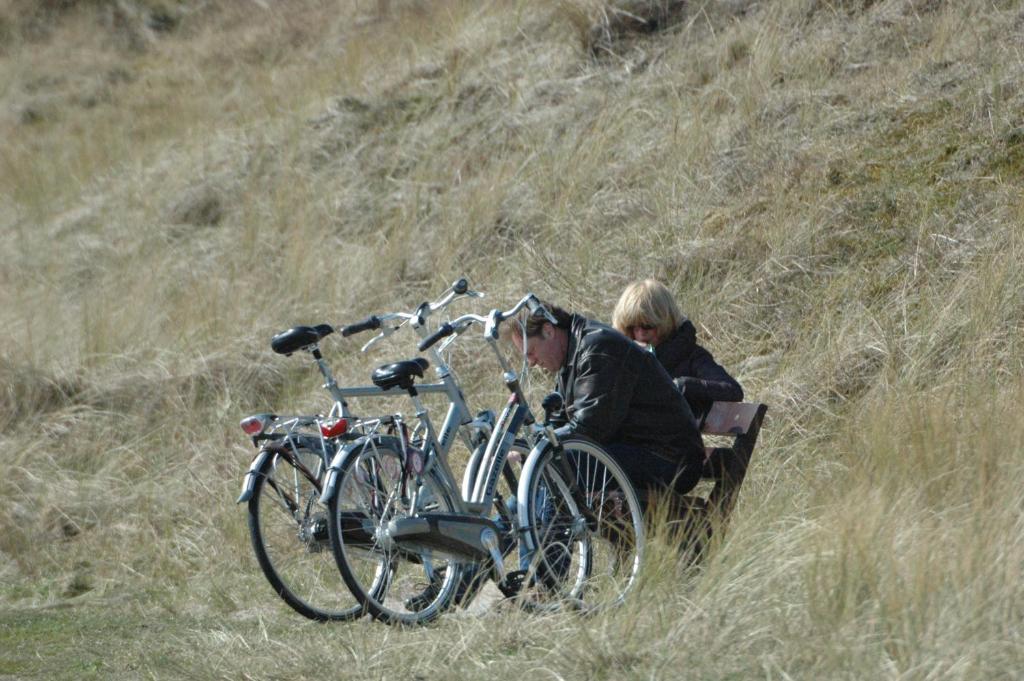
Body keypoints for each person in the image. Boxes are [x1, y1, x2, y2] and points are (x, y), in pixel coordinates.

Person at [509, 301, 706, 501]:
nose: (531, 362)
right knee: (547, 464)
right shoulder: (571, 355)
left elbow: (590, 428)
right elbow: (560, 424)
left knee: (558, 465)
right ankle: (509, 527)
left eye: (531, 352)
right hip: (638, 450)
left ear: (549, 330)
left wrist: (537, 449)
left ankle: (543, 531)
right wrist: (529, 446)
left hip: (670, 459)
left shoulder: (598, 348)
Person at [612, 279, 743, 424]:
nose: (640, 334)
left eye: (647, 326)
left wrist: (682, 386)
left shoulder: (689, 354)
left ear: (664, 323)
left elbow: (732, 390)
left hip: (669, 443)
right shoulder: (625, 356)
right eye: (632, 327)